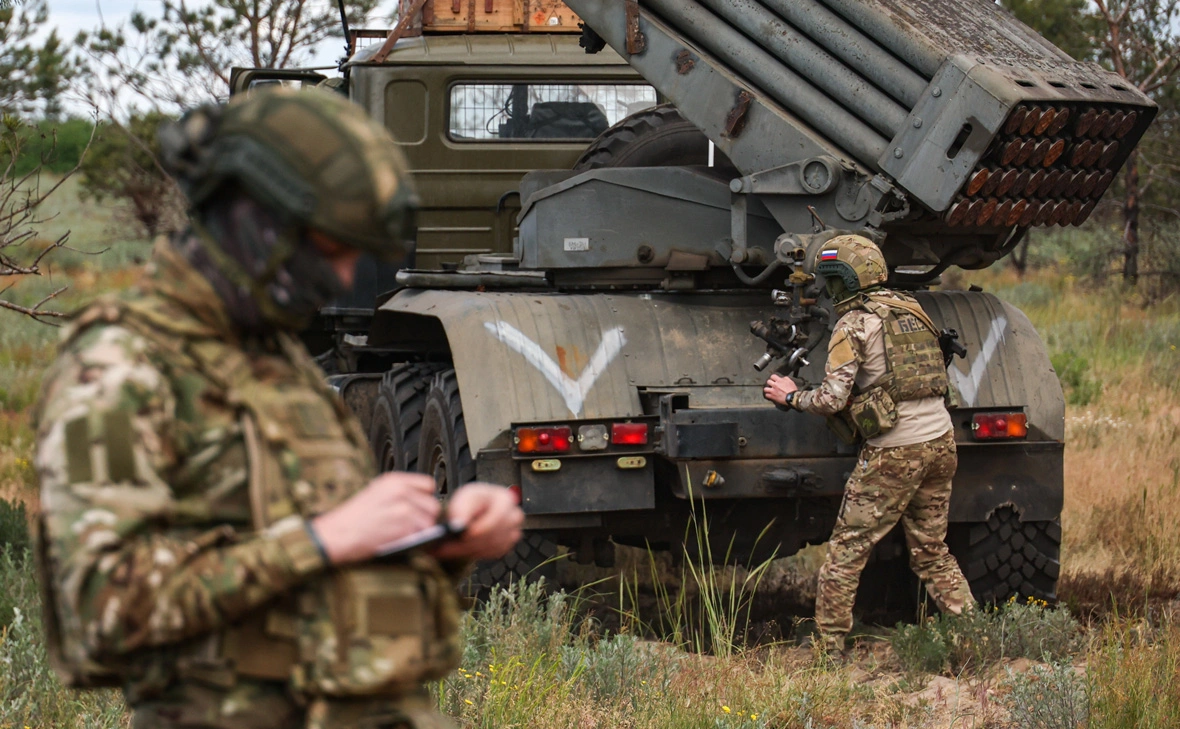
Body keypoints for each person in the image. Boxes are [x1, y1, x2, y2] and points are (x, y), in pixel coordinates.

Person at [32, 87, 524, 729]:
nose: (344, 278)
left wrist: (442, 538)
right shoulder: (121, 366)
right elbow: (99, 613)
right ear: (253, 224)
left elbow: (312, 572)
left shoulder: (277, 360)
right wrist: (322, 540)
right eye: (330, 248)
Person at [762, 234, 974, 654]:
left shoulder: (853, 324)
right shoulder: (910, 309)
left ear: (844, 281)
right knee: (932, 552)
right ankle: (975, 639)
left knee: (846, 553)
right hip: (940, 441)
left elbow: (832, 399)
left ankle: (827, 652)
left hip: (896, 451)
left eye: (832, 281)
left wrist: (789, 395)